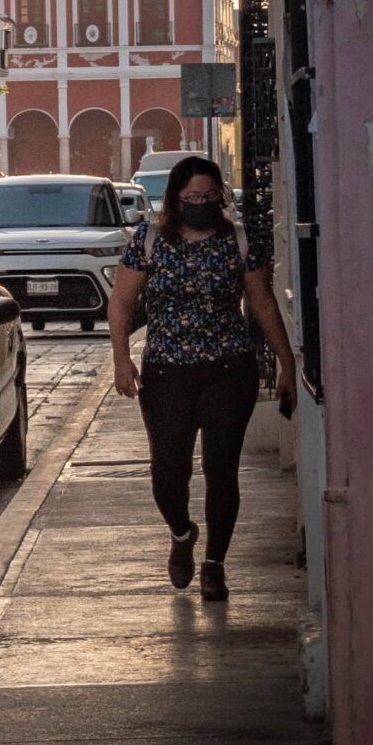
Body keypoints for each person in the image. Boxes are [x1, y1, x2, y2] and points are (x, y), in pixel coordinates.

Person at [109, 155, 297, 601]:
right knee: (168, 473)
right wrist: (121, 359)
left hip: (229, 370)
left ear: (222, 196)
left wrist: (287, 363)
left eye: (210, 196)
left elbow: (263, 303)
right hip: (166, 373)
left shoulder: (240, 242)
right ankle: (181, 534)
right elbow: (120, 301)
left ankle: (215, 564)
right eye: (191, 197)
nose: (201, 204)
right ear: (175, 199)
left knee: (221, 468)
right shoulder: (151, 240)